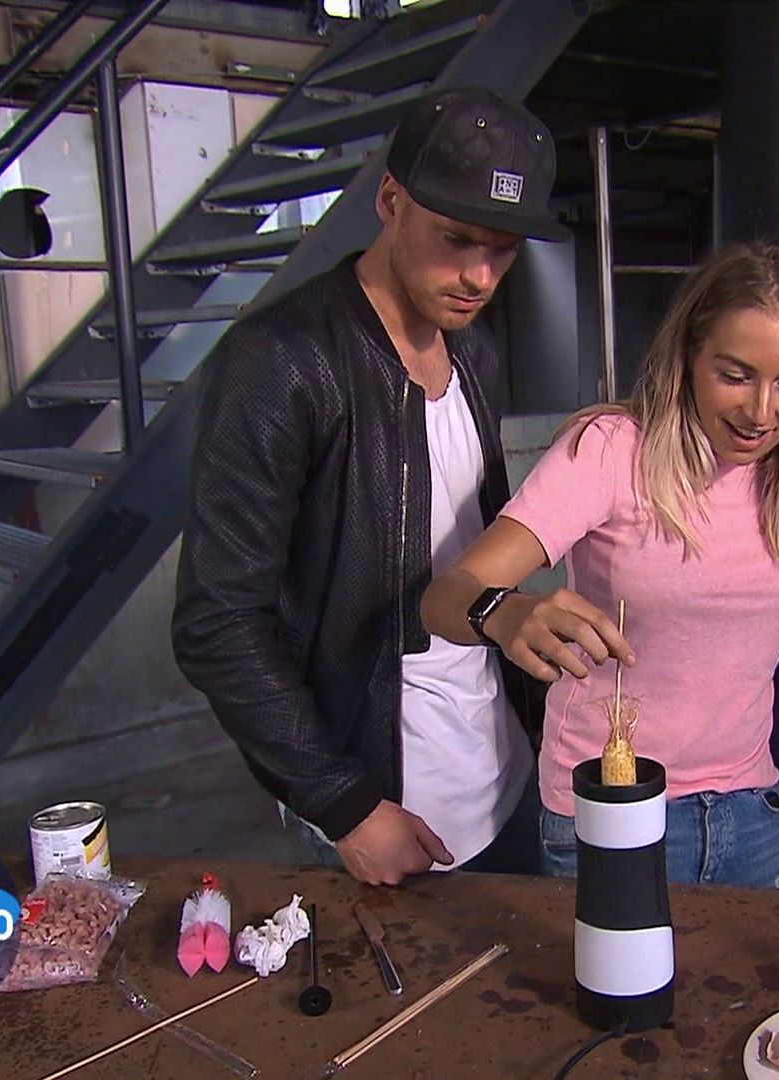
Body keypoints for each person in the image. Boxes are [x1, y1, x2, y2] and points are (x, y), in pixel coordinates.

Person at [172, 88, 571, 886]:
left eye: (502, 251)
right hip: (382, 804)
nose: (479, 276)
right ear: (391, 201)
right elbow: (217, 621)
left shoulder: (475, 353)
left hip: (503, 767)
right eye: (456, 239)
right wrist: (345, 805)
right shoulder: (282, 361)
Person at [421, 242, 779, 889]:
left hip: (751, 808)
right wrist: (506, 613)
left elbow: (729, 646)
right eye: (735, 375)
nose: (761, 412)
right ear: (690, 353)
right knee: (619, 961)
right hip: (615, 803)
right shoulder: (611, 451)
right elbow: (445, 597)